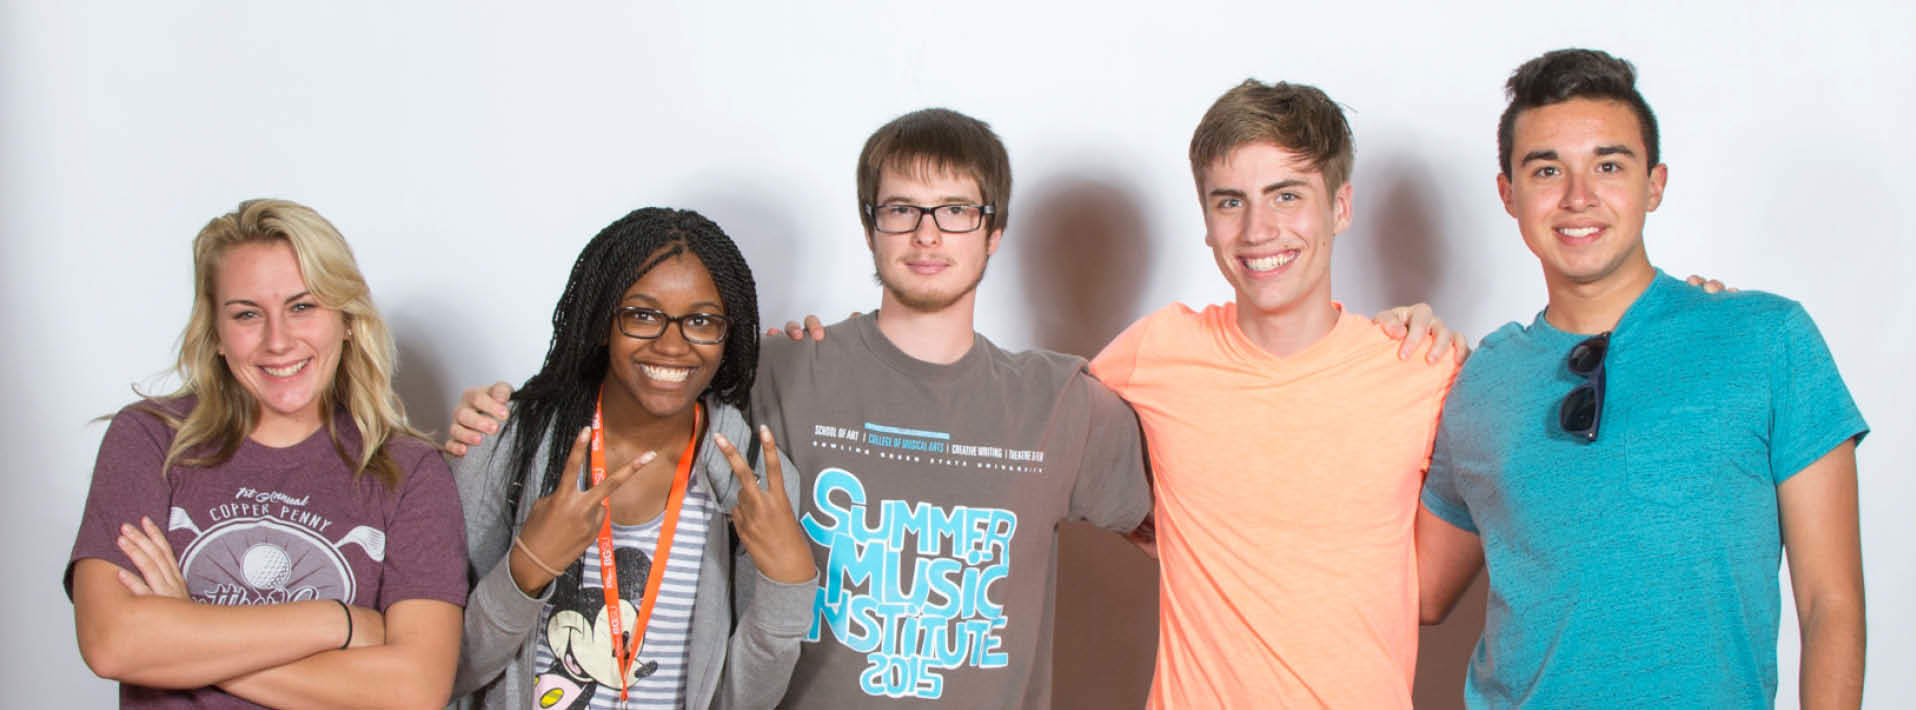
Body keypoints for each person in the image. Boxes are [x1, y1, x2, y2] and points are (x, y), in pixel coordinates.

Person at [450, 109, 1155, 708]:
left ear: (994, 231)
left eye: (957, 211)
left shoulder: (1061, 404)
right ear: (870, 226)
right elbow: (641, 380)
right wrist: (498, 416)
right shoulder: (778, 369)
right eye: (902, 209)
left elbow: (1195, 520)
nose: (928, 234)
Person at [1417, 49, 1868, 708]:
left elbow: (1831, 604)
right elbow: (1421, 593)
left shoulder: (1767, 339)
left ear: (1655, 184)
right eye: (1547, 169)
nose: (1578, 196)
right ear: (1508, 194)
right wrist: (1371, 352)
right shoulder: (1479, 379)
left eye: (1608, 165)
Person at [1083, 79, 1464, 708]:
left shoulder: (1422, 365)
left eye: (1286, 196)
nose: (1258, 230)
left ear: (1341, 207)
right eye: (1230, 202)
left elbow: (1430, 592)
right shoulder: (1158, 349)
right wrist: (1154, 522)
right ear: (1207, 223)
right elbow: (1045, 444)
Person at [65, 198, 468, 708]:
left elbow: (413, 689)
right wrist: (338, 622)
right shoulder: (150, 440)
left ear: (346, 319)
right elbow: (113, 644)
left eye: (302, 307)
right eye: (247, 314)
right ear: (215, 333)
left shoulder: (408, 472)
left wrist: (186, 634)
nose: (278, 341)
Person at [447, 208, 817, 710]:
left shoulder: (754, 482)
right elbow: (445, 672)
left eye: (701, 321)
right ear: (604, 322)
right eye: (643, 315)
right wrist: (526, 570)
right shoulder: (504, 445)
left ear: (727, 334)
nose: (672, 345)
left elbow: (745, 703)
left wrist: (788, 590)